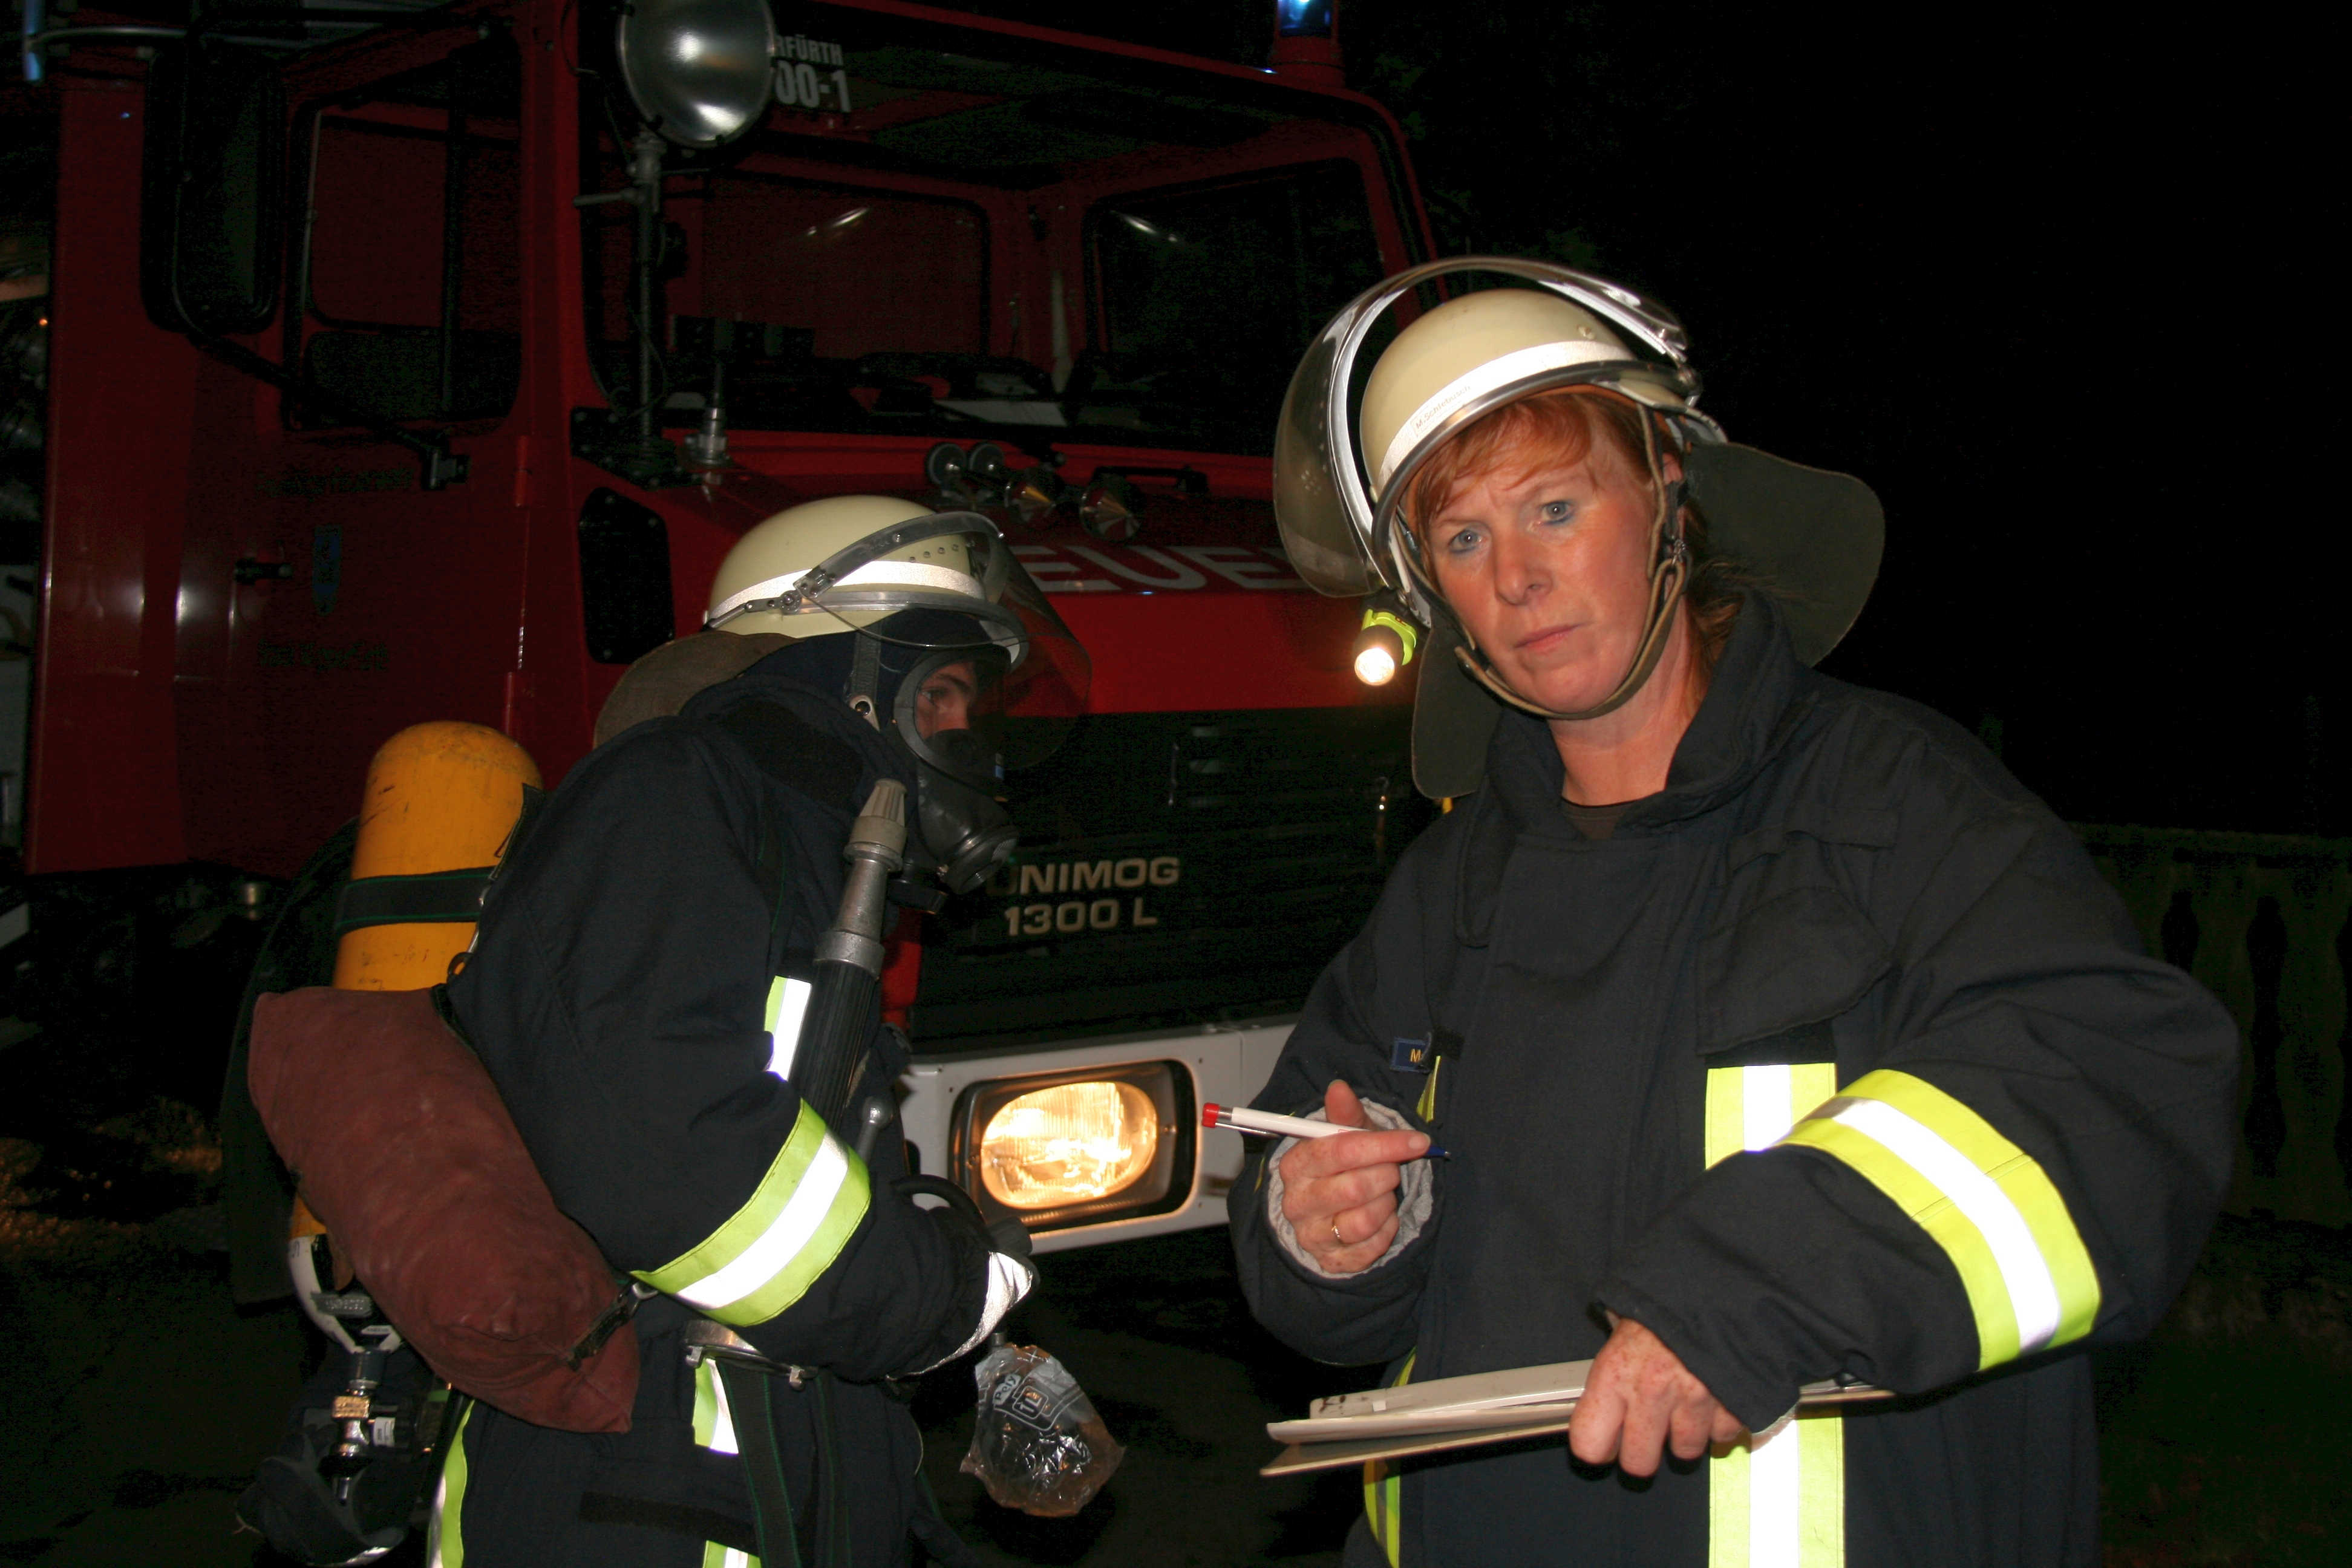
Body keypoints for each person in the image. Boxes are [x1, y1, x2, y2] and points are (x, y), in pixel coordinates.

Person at [1235, 260, 2239, 1567]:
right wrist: (1328, 1237)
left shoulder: (1892, 806)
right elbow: (1300, 1222)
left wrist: (1768, 1288)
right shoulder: (1445, 890)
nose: (1520, 579)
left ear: (1667, 494)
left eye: (1554, 506)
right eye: (1465, 539)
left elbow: (2121, 1084)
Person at [435, 495, 1088, 1567]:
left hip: (760, 1471)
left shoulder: (803, 866)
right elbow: (660, 1151)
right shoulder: (666, 799)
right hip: (627, 1492)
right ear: (852, 679)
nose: (962, 736)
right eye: (944, 695)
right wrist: (930, 1292)